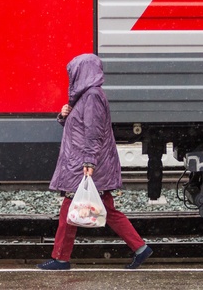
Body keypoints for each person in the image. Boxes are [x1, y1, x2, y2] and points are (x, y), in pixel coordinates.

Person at [37, 53, 153, 270]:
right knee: (105, 211)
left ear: (82, 73)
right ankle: (140, 247)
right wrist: (64, 116)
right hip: (86, 163)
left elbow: (93, 132)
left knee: (70, 211)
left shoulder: (92, 96)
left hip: (87, 165)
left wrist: (89, 162)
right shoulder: (86, 97)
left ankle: (61, 259)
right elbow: (79, 130)